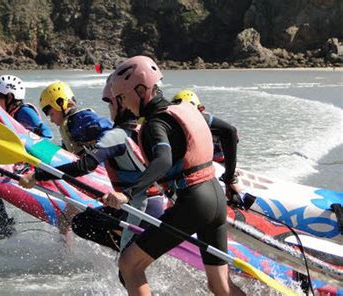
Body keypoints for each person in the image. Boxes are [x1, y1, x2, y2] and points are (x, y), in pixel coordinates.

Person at [105, 56, 244, 295]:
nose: (125, 105)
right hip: (216, 197)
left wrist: (128, 193)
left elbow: (163, 160)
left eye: (124, 97)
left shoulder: (154, 124)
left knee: (129, 264)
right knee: (220, 285)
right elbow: (229, 132)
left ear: (140, 90)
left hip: (194, 202)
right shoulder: (187, 110)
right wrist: (230, 180)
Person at [20, 81, 165, 253]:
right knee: (69, 218)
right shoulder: (71, 125)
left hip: (113, 185)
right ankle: (68, 253)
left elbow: (106, 135)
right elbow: (65, 157)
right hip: (117, 185)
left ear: (61, 103)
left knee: (77, 221)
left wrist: (39, 175)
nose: (50, 118)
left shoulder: (80, 120)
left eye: (49, 111)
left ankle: (127, 250)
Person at [0, 75, 53, 242]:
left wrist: (29, 147)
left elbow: (47, 134)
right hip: (20, 162)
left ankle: (6, 227)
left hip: (33, 164)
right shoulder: (10, 114)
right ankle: (6, 226)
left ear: (10, 97)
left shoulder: (24, 112)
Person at [172, 89, 243, 202]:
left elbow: (233, 135)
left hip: (220, 166)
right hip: (201, 168)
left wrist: (230, 177)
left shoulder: (214, 126)